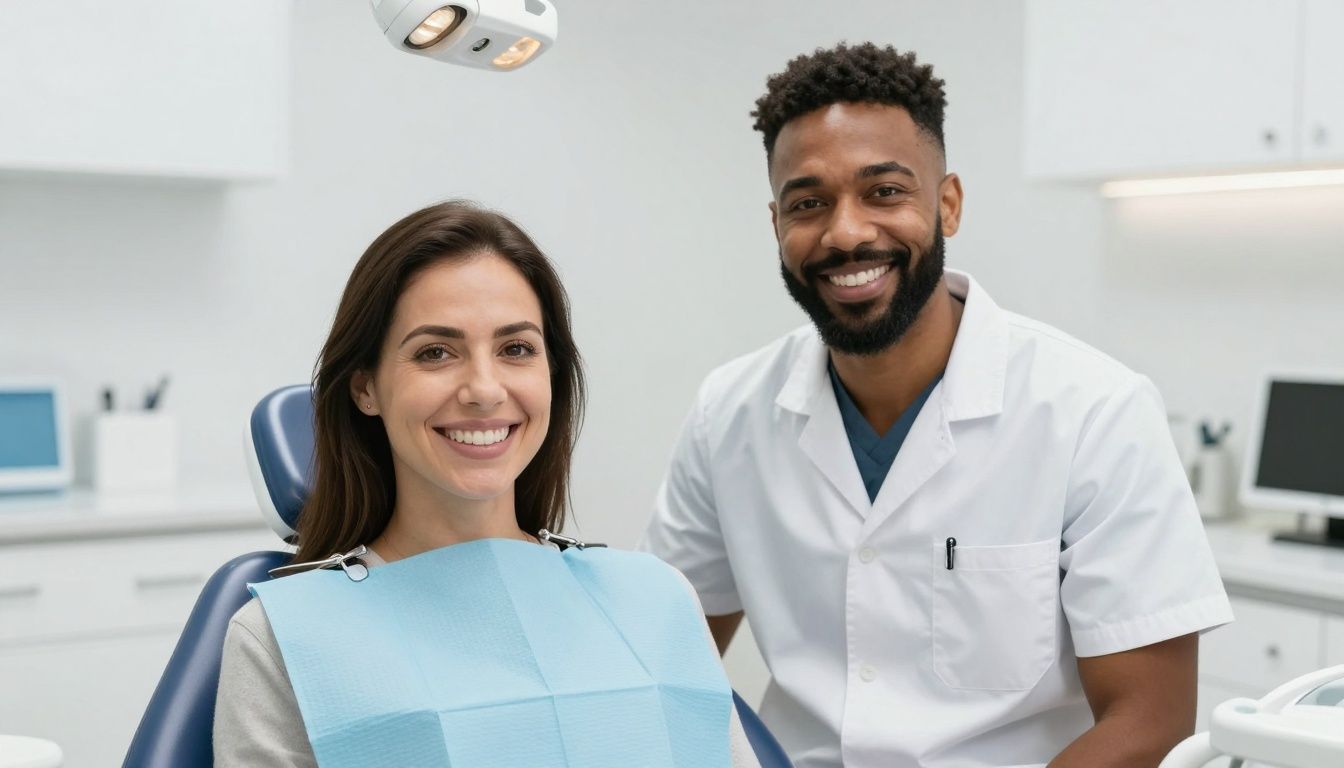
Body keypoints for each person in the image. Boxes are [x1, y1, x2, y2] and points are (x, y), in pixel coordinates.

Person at [640, 43, 1233, 768]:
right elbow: (661, 667)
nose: (847, 231)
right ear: (776, 224)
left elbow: (1150, 719)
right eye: (809, 203)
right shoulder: (727, 414)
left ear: (947, 203)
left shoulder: (1094, 413)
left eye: (884, 192)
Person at [214, 201, 761, 768]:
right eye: (435, 352)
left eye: (516, 349)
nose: (483, 388)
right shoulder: (283, 638)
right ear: (365, 389)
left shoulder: (658, 599)